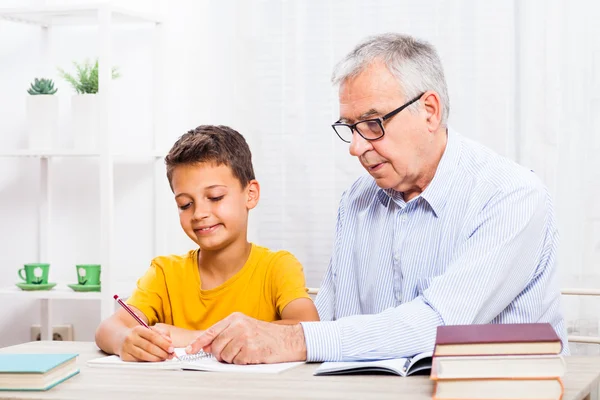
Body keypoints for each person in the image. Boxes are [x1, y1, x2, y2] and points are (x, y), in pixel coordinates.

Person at [186, 33, 569, 364]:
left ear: (430, 111)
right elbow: (333, 319)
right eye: (349, 128)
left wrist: (291, 340)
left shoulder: (511, 196)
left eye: (373, 124)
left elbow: (441, 325)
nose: (356, 148)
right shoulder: (357, 200)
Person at [95, 125, 319, 362]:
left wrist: (187, 337)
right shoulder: (165, 274)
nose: (199, 213)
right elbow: (108, 330)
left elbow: (309, 329)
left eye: (215, 198)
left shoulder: (278, 267)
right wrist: (125, 341)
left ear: (250, 194)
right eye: (185, 204)